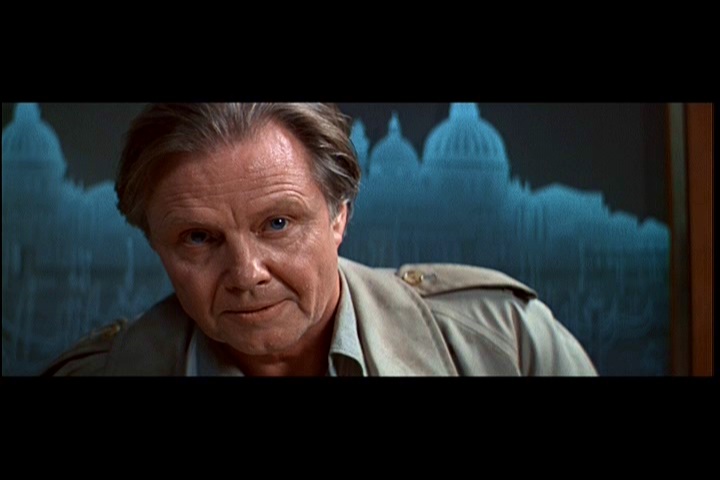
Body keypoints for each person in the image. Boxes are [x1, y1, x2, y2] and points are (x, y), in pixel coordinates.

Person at [44, 103, 597, 376]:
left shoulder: (508, 345)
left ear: (339, 217)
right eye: (198, 237)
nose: (247, 274)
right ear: (155, 245)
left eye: (277, 224)